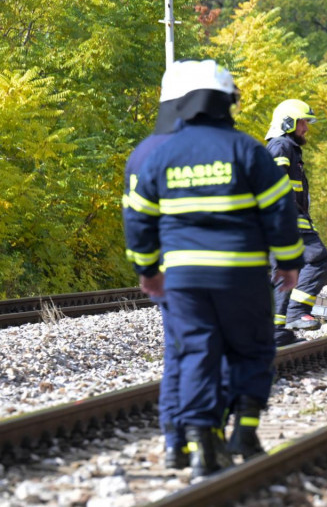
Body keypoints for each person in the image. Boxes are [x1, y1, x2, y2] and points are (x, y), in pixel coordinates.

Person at [123, 60, 302, 478]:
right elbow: (281, 210)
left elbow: (138, 217)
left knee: (196, 353)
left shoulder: (162, 153)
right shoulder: (247, 150)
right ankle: (246, 432)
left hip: (184, 279)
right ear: (227, 103)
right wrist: (290, 262)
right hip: (241, 274)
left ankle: (202, 445)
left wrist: (147, 268)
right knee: (253, 347)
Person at [122, 63, 191, 469]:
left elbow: (136, 219)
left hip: (169, 271)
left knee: (179, 353)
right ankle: (207, 435)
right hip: (214, 269)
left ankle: (175, 439)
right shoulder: (210, 146)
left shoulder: (142, 152)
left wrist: (147, 270)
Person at [266, 99, 327, 345]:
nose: (306, 128)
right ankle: (295, 312)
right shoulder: (282, 146)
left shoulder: (286, 147)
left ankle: (276, 331)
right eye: (303, 122)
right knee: (317, 258)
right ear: (289, 122)